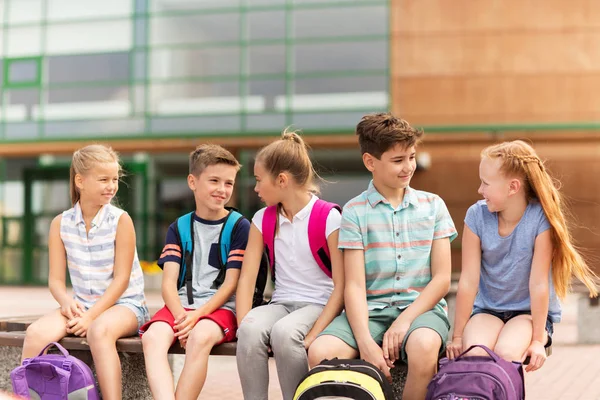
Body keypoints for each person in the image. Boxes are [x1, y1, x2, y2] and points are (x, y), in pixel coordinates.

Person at [308, 113, 457, 400]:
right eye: (398, 160)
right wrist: (365, 342)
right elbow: (354, 285)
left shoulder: (433, 206)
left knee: (424, 347)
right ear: (370, 162)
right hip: (370, 312)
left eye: (412, 157)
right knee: (321, 351)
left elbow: (441, 279)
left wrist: (404, 322)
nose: (408, 167)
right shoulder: (353, 212)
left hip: (422, 311)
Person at [447, 140, 598, 372]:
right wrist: (457, 336)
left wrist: (538, 341)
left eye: (485, 183)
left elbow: (538, 284)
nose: (480, 190)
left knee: (506, 353)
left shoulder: (539, 219)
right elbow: (468, 280)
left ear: (513, 187)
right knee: (475, 354)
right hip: (488, 310)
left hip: (527, 314)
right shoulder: (476, 216)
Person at [22, 144, 149, 400]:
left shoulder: (121, 220)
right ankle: (27, 396)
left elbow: (122, 279)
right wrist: (67, 303)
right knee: (35, 333)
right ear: (80, 181)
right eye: (103, 179)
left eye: (114, 179)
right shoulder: (61, 223)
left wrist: (91, 316)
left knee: (99, 332)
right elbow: (56, 281)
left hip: (126, 305)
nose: (111, 186)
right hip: (81, 305)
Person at [235, 130, 345, 400]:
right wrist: (243, 323)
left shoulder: (329, 217)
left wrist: (314, 335)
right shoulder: (262, 219)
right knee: (249, 328)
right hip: (282, 304)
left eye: (260, 181)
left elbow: (342, 286)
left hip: (318, 304)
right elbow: (247, 281)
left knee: (285, 334)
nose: (256, 188)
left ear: (282, 180)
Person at [140, 144, 248, 400]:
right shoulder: (179, 227)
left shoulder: (239, 227)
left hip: (220, 310)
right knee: (152, 339)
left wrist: (197, 316)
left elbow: (230, 284)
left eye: (229, 183)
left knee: (199, 337)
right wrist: (181, 317)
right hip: (181, 308)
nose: (222, 189)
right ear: (193, 181)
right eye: (214, 181)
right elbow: (168, 284)